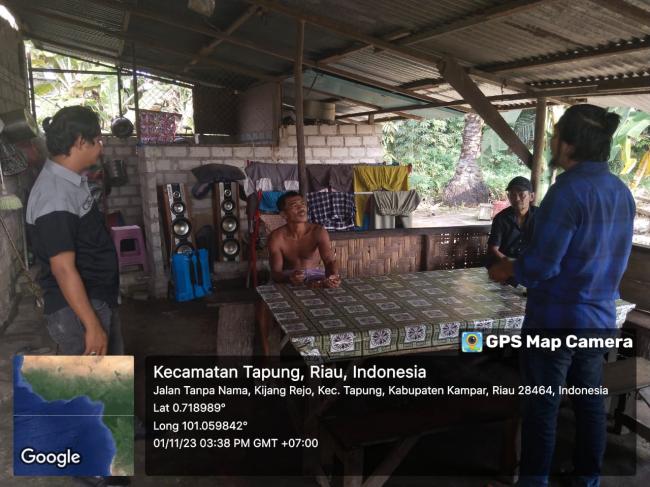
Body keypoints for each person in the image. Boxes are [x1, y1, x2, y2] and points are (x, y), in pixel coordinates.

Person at [488, 104, 635, 486]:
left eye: (555, 136)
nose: (552, 142)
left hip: (555, 321)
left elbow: (542, 266)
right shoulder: (621, 192)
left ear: (569, 144)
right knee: (589, 404)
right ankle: (588, 479)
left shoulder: (566, 192)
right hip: (599, 319)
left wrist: (508, 269)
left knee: (542, 406)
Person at [26, 106, 121, 357]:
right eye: (97, 140)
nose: (101, 147)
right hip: (78, 312)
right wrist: (92, 326)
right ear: (80, 142)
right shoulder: (55, 194)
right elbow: (63, 268)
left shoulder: (70, 180)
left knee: (109, 378)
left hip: (94, 299)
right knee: (93, 381)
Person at [267, 191, 341, 288]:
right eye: (294, 205)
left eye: (302, 203)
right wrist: (290, 277)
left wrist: (333, 276)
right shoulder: (276, 237)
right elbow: (276, 273)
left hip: (316, 276)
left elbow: (329, 261)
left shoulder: (318, 231)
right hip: (287, 278)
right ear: (283, 214)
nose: (301, 208)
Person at [487, 176, 537, 267]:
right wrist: (511, 264)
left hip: (530, 265)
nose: (517, 199)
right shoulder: (501, 218)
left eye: (521, 194)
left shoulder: (540, 216)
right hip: (504, 264)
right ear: (508, 197)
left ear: (531, 196)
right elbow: (493, 249)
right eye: (512, 195)